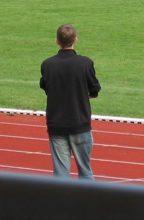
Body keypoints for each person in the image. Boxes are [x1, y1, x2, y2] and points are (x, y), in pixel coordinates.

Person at [40, 24, 101, 180]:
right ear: (75, 40)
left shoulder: (47, 64)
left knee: (61, 174)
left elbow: (46, 87)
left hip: (56, 125)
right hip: (80, 123)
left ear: (57, 41)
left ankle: (61, 197)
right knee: (85, 171)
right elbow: (95, 89)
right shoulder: (85, 63)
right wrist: (81, 95)